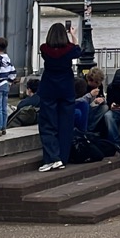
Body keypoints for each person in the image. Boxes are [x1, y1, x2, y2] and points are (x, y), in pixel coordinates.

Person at [35, 23, 81, 172]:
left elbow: (50, 50)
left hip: (49, 89)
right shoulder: (70, 49)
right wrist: (73, 35)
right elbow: (78, 50)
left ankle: (52, 157)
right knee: (65, 125)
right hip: (66, 89)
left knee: (48, 124)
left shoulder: (44, 49)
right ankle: (62, 158)